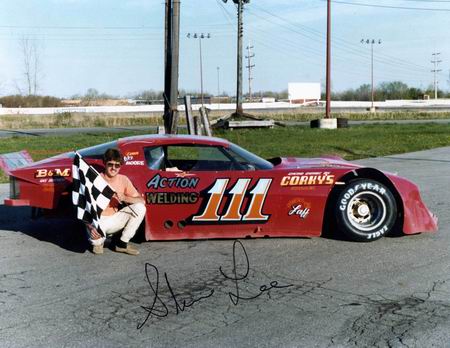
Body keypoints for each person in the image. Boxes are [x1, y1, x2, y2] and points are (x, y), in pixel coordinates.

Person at [89, 148, 146, 255]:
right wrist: (89, 226)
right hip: (96, 220)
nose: (113, 168)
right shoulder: (95, 179)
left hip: (114, 219)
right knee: (97, 246)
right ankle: (100, 240)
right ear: (105, 163)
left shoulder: (123, 179)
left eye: (117, 165)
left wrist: (125, 198)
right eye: (110, 164)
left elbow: (141, 201)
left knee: (140, 207)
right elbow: (83, 207)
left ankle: (121, 243)